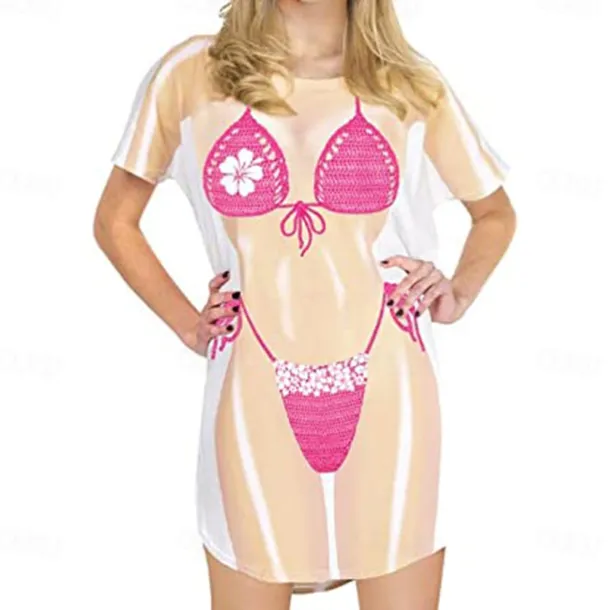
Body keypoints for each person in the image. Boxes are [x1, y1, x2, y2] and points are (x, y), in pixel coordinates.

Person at [93, 0, 516, 608]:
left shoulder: (408, 84)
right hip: (251, 389)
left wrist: (458, 291)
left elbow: (495, 213)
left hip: (391, 386)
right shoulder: (193, 73)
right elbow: (115, 221)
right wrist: (188, 325)